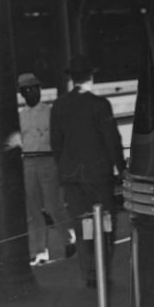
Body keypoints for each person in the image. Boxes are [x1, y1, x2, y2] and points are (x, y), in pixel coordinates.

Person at [50, 56, 126, 287]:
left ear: (72, 78)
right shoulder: (100, 105)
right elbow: (112, 140)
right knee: (104, 224)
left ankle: (90, 273)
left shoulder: (59, 105)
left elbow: (56, 144)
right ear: (91, 77)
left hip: (72, 177)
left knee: (83, 225)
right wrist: (121, 168)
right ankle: (103, 272)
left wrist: (64, 169)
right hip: (98, 176)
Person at [18, 72, 72, 265]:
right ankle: (40, 251)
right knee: (33, 209)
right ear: (22, 94)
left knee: (54, 205)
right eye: (27, 90)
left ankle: (68, 240)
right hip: (29, 162)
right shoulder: (20, 116)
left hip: (48, 160)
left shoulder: (50, 112)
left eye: (35, 89)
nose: (32, 93)